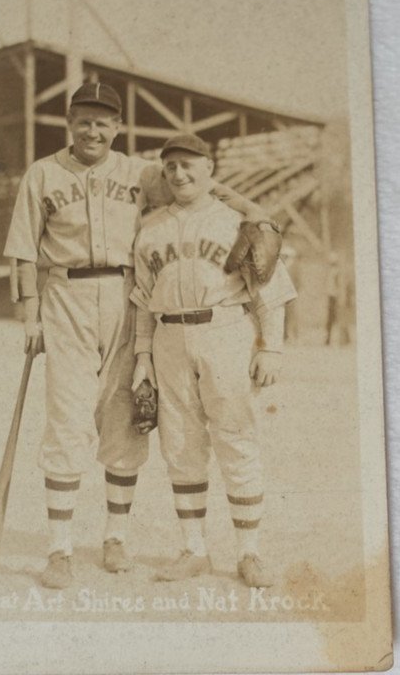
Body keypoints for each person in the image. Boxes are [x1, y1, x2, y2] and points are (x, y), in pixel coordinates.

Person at [4, 84, 272, 590]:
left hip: (127, 296)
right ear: (68, 121)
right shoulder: (42, 173)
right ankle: (59, 549)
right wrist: (30, 315)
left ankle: (115, 536)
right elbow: (22, 249)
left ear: (117, 127)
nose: (93, 130)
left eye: (103, 121)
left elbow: (198, 186)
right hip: (65, 294)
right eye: (84, 119)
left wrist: (251, 209)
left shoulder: (141, 174)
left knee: (123, 418)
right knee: (66, 418)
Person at [131, 134, 297, 587]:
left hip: (224, 330)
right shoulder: (151, 228)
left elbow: (271, 291)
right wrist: (142, 356)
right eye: (171, 168)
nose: (180, 175)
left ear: (209, 169)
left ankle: (249, 553)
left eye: (189, 165)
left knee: (236, 438)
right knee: (181, 444)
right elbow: (142, 301)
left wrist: (271, 348)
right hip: (168, 337)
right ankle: (194, 549)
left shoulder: (237, 222)